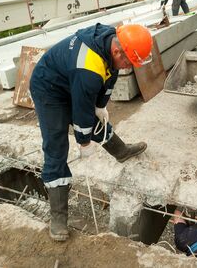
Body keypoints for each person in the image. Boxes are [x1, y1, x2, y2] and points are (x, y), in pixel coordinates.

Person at [29, 23, 153, 241]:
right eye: (128, 61)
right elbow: (81, 112)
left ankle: (121, 151)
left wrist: (101, 105)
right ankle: (58, 217)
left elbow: (109, 78)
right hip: (48, 89)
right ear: (117, 51)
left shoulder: (111, 42)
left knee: (95, 119)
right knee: (56, 146)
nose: (128, 67)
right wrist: (84, 142)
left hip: (71, 80)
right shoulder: (89, 67)